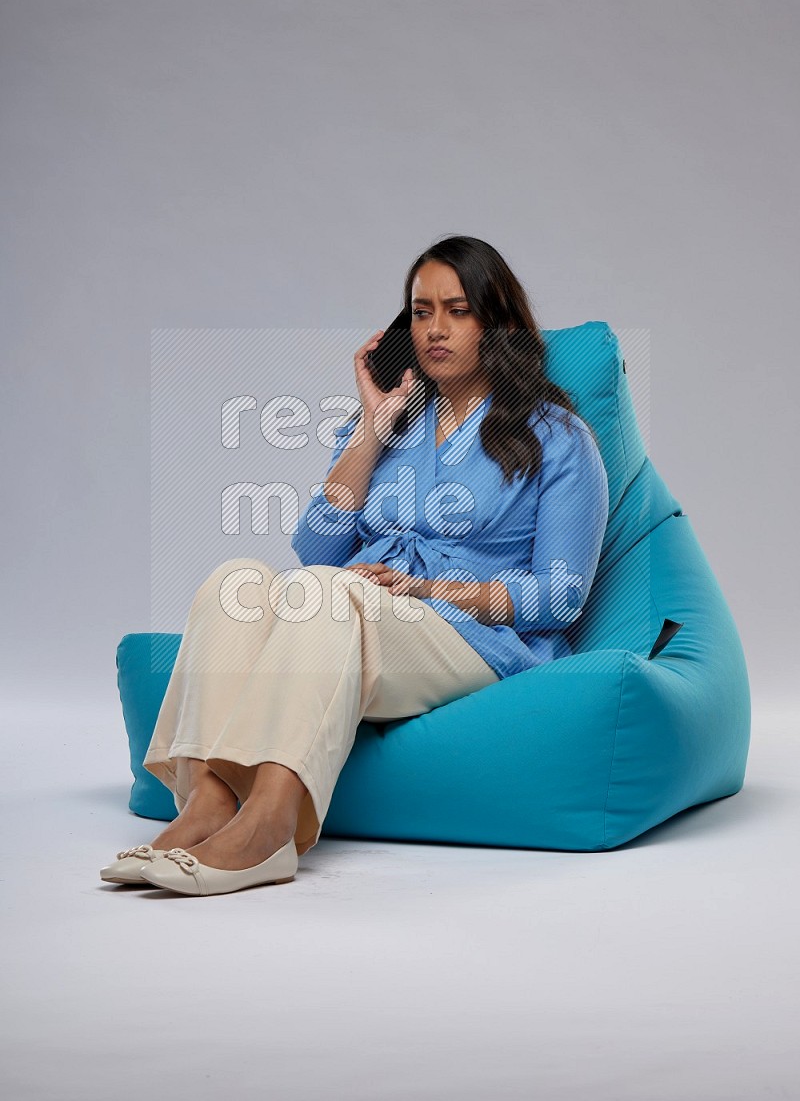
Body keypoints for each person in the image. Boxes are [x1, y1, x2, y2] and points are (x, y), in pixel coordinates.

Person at [100, 234, 609, 896]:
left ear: (499, 323)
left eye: (457, 310)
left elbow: (562, 596)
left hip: (469, 635)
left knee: (325, 594)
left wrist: (429, 588)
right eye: (421, 311)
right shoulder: (394, 421)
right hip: (355, 612)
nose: (435, 329)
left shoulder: (560, 438)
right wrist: (372, 424)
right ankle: (204, 807)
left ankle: (268, 831)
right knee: (236, 583)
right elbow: (316, 548)